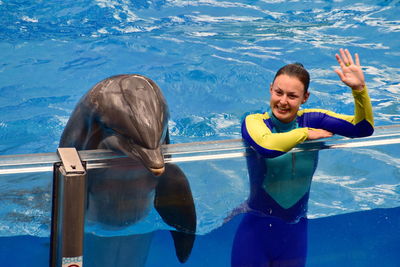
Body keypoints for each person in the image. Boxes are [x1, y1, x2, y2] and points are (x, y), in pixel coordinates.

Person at [231, 49, 374, 266]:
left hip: (296, 230)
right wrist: (305, 134)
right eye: (278, 92)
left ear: (305, 97)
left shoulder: (314, 119)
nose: (283, 101)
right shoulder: (254, 121)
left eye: (292, 96)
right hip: (256, 229)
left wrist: (359, 90)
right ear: (270, 89)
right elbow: (267, 146)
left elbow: (363, 129)